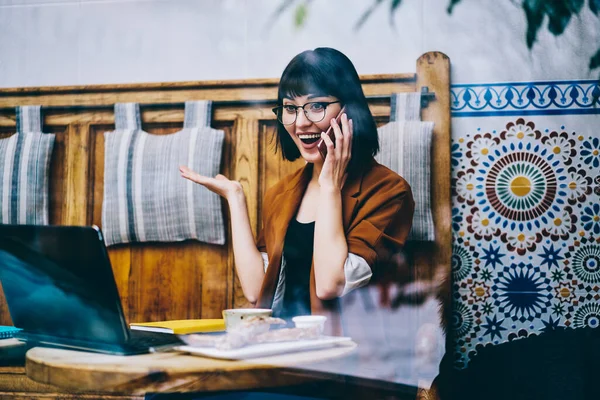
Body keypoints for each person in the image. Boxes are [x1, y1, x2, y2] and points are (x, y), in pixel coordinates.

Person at [180, 47, 414, 331]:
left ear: (349, 109)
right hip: (283, 349)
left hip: (346, 360)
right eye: (290, 108)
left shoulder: (390, 192)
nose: (301, 122)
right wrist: (235, 198)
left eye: (317, 106)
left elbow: (330, 284)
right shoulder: (282, 192)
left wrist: (330, 187)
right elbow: (256, 291)